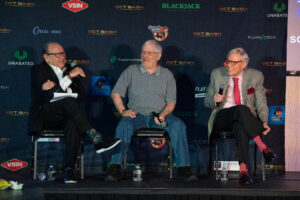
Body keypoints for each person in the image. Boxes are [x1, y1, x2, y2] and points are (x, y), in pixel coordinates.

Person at [28, 42, 121, 183]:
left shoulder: (70, 69)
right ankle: (96, 138)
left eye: (63, 53)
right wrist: (69, 78)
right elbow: (47, 96)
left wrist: (58, 85)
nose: (62, 57)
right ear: (46, 57)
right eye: (57, 54)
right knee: (69, 102)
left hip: (66, 116)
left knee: (73, 121)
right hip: (46, 116)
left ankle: (69, 171)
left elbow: (81, 96)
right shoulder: (38, 70)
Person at [105, 40, 198, 182]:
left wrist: (163, 115)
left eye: (150, 52)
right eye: (143, 52)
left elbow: (171, 102)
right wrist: (123, 111)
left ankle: (183, 168)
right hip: (137, 115)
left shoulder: (167, 75)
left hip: (160, 115)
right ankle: (116, 167)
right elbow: (116, 93)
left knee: (178, 125)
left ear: (158, 56)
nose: (145, 55)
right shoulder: (131, 71)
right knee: (124, 124)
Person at [204, 47, 276, 184]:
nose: (229, 65)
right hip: (222, 117)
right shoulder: (217, 74)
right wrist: (214, 99)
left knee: (241, 125)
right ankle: (263, 147)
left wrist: (264, 120)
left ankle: (243, 172)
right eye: (227, 61)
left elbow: (261, 102)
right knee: (241, 110)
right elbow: (206, 102)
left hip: (244, 119)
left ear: (244, 64)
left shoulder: (255, 76)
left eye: (234, 62)